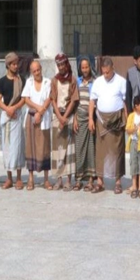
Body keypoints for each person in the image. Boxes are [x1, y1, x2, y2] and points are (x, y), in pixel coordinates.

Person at [89, 57, 127, 194]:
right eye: (103, 72)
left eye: (108, 72)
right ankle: (100, 182)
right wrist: (90, 119)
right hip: (101, 120)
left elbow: (125, 102)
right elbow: (92, 101)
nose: (105, 75)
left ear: (113, 68)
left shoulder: (121, 81)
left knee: (117, 151)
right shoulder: (98, 82)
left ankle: (117, 182)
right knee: (101, 151)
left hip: (116, 120)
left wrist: (127, 120)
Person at [0, 52, 26, 190]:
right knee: (7, 148)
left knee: (18, 147)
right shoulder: (2, 81)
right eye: (13, 64)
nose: (16, 66)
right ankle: (9, 178)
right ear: (8, 65)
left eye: (17, 64)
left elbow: (24, 99)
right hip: (7, 117)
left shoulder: (21, 80)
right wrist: (7, 109)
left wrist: (14, 108)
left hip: (17, 115)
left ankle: (19, 178)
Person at [50, 53, 79, 191]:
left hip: (68, 116)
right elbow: (53, 100)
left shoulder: (72, 80)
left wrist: (65, 117)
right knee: (57, 149)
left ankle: (68, 180)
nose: (61, 67)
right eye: (59, 65)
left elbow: (74, 100)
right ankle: (59, 179)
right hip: (57, 116)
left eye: (63, 64)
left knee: (69, 150)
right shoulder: (54, 80)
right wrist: (59, 117)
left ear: (66, 64)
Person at [23, 60, 52, 190]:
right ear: (31, 72)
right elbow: (26, 99)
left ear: (41, 69)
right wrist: (37, 108)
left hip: (43, 118)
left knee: (44, 147)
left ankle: (46, 179)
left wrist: (41, 112)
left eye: (38, 70)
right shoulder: (29, 82)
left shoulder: (47, 82)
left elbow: (49, 98)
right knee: (31, 147)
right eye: (34, 71)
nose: (37, 73)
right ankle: (31, 179)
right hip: (31, 117)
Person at [74, 56, 97, 192]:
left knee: (91, 149)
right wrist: (75, 119)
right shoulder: (77, 82)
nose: (85, 70)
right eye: (82, 67)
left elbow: (95, 101)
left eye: (87, 67)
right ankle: (78, 179)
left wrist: (91, 118)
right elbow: (75, 101)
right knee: (79, 149)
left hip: (91, 118)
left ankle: (90, 180)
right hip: (80, 117)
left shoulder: (95, 82)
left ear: (90, 67)